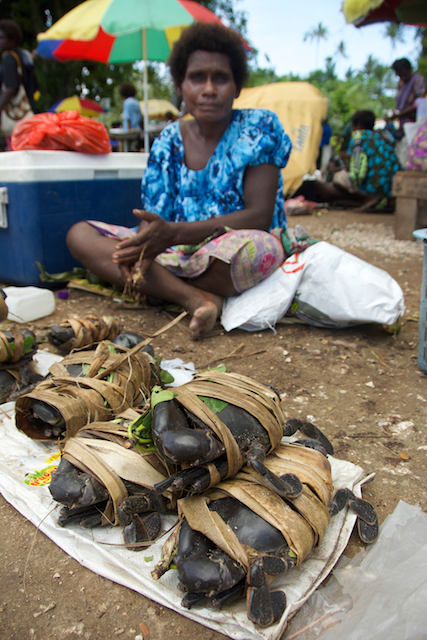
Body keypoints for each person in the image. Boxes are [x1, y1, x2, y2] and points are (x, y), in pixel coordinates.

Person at [66, 23, 291, 339]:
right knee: (80, 235)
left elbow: (259, 217)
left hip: (227, 249)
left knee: (256, 250)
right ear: (180, 85)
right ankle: (195, 298)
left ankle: (162, 285)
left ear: (237, 86)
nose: (209, 89)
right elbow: (154, 218)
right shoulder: (168, 140)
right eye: (197, 78)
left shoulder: (258, 128)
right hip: (175, 250)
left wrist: (171, 235)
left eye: (221, 78)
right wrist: (143, 249)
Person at [293, 110, 401, 211]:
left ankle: (369, 197)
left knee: (339, 177)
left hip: (374, 184)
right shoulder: (383, 135)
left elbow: (353, 166)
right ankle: (382, 197)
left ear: (358, 125)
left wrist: (338, 169)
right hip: (392, 182)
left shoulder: (359, 137)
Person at [0, 19, 39, 148]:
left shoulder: (8, 57)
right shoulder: (24, 57)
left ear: (13, 39)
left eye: (1, 38)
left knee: (15, 149)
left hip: (16, 118)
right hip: (28, 113)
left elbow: (11, 87)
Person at [388, 58, 426, 138]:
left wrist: (400, 114)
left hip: (415, 124)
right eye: (399, 75)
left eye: (404, 74)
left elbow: (420, 103)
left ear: (409, 70)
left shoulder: (418, 79)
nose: (402, 78)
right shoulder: (401, 84)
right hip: (404, 125)